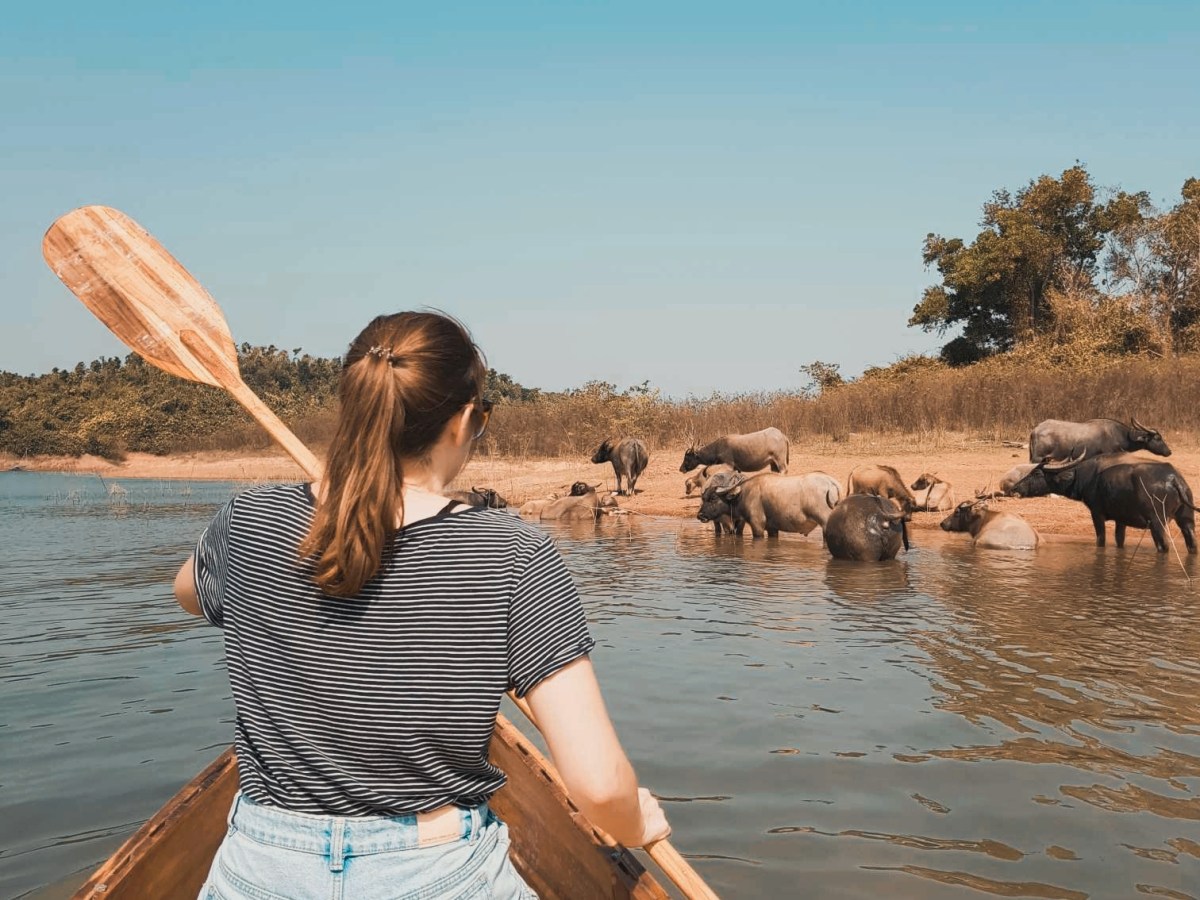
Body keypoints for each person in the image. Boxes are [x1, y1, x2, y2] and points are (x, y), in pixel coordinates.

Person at [174, 311, 670, 899]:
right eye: (482, 418)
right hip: (438, 872)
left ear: (357, 408)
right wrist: (635, 824)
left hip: (261, 865)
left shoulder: (250, 520)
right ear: (463, 422)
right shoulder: (514, 554)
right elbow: (600, 787)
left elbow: (189, 592)